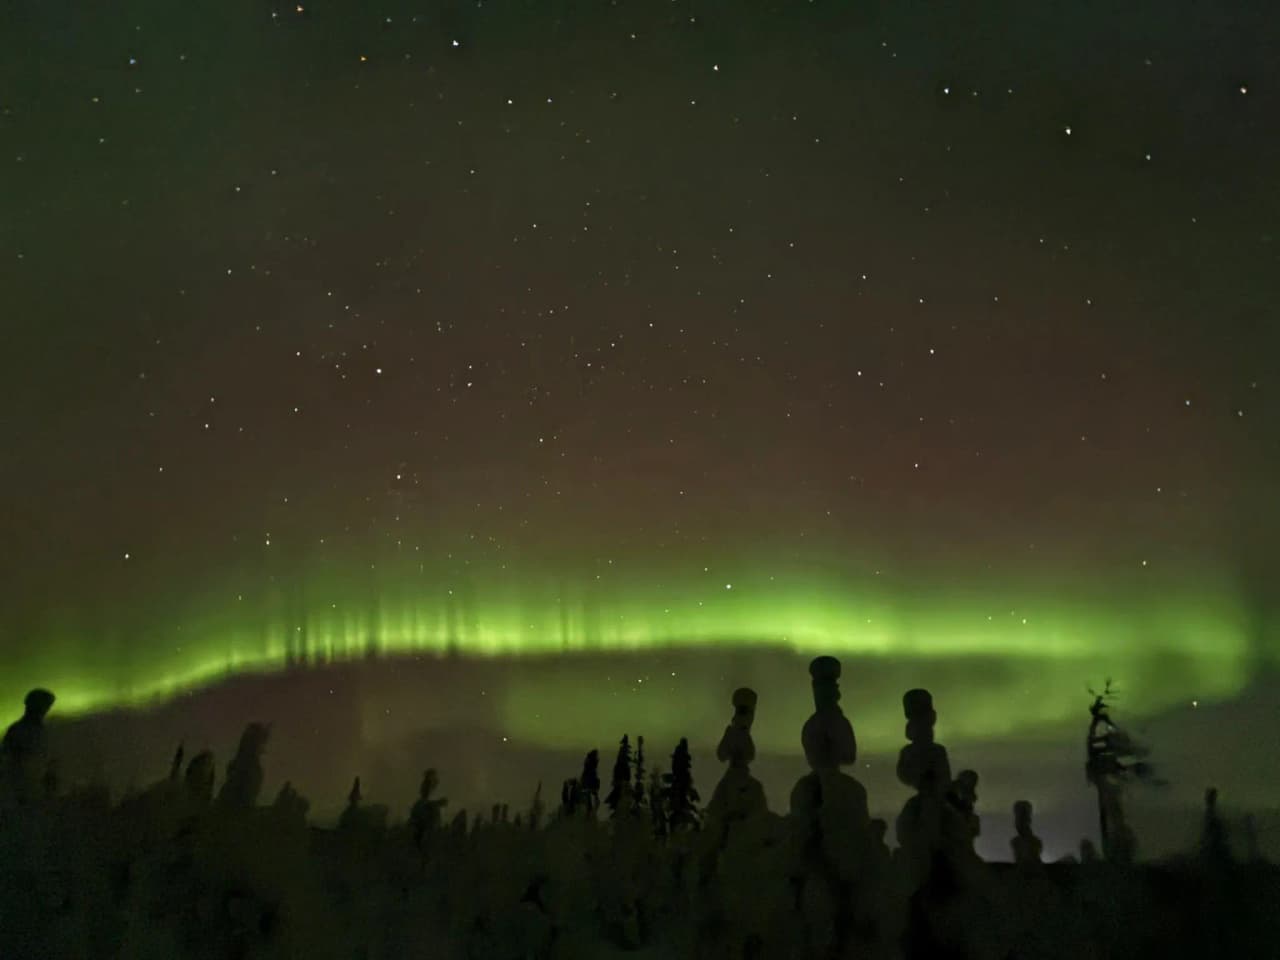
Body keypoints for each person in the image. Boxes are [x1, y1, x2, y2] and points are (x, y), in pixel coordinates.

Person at [2, 688, 56, 805]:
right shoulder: (19, 731)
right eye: (44, 706)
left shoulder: (38, 730)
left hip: (33, 791)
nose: (46, 710)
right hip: (22, 791)